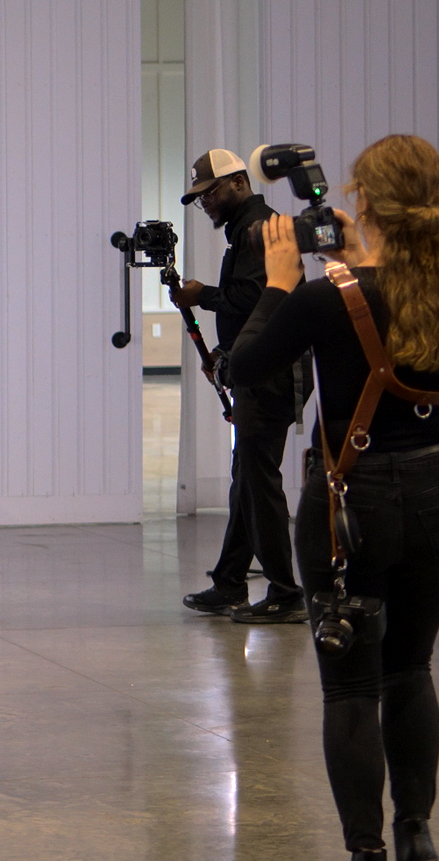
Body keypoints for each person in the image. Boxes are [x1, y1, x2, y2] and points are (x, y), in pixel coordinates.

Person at [226, 134, 439, 861]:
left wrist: (279, 283)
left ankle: (366, 851)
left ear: (365, 201)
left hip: (350, 501)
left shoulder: (324, 298)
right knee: (412, 667)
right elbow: (397, 304)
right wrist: (359, 261)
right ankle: (416, 833)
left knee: (351, 688)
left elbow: (244, 367)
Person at [171, 148, 311, 624]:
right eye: (199, 197)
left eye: (209, 192)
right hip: (259, 367)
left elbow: (256, 297)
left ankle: (286, 593)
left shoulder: (258, 228)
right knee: (248, 479)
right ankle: (230, 582)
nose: (205, 202)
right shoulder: (245, 229)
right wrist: (226, 354)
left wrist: (201, 295)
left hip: (271, 373)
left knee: (258, 482)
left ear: (238, 182)